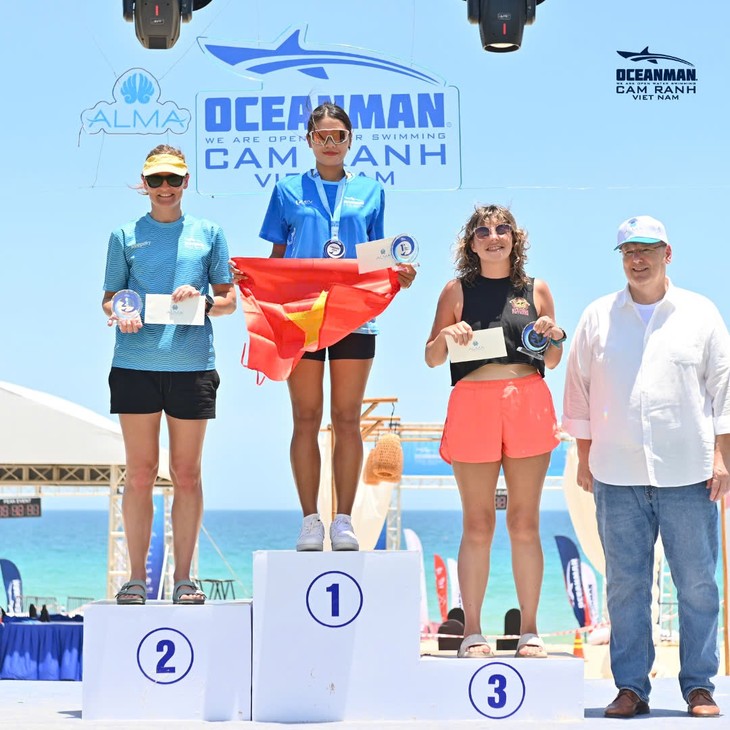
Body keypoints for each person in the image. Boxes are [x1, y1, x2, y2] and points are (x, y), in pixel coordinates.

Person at [563, 215, 730, 718]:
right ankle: (631, 687)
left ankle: (699, 685)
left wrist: (722, 456)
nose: (637, 260)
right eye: (628, 252)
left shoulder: (701, 314)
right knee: (625, 586)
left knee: (698, 583)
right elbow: (578, 391)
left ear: (667, 254)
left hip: (689, 472)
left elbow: (724, 390)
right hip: (616, 473)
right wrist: (583, 455)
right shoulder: (597, 316)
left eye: (647, 250)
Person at [233, 102, 416, 552]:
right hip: (301, 312)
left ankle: (343, 521)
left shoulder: (373, 190)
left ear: (351, 141)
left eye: (338, 136)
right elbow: (278, 256)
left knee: (348, 418)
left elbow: (373, 254)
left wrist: (398, 270)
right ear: (309, 140)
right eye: (322, 136)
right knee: (306, 416)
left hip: (355, 314)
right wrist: (254, 280)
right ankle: (310, 521)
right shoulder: (286, 189)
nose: (330, 143)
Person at [425, 204, 564, 658]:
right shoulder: (455, 290)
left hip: (528, 401)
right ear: (471, 242)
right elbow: (430, 357)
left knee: (525, 522)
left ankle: (530, 630)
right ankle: (472, 633)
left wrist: (553, 333)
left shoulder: (535, 288)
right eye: (483, 231)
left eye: (502, 229)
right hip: (473, 404)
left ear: (515, 237)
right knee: (477, 523)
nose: (493, 236)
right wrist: (447, 336)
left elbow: (553, 359)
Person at [102, 145, 236, 605]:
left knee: (187, 474)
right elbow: (109, 299)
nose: (164, 189)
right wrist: (123, 311)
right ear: (144, 183)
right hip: (135, 365)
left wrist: (198, 299)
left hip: (193, 365)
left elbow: (230, 300)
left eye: (172, 180)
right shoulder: (124, 235)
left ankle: (184, 580)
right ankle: (136, 579)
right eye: (156, 180)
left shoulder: (209, 233)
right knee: (140, 474)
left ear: (185, 182)